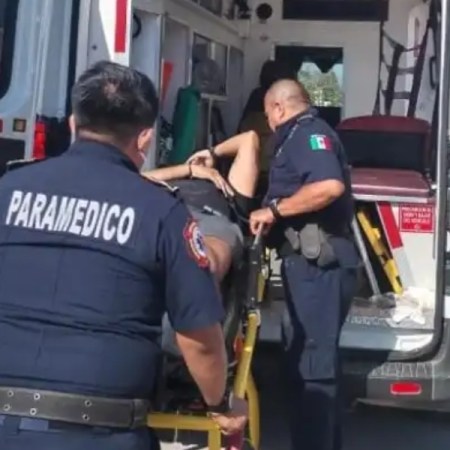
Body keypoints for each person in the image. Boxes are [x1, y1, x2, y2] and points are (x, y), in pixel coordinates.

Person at [0, 61, 247, 450]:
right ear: (145, 139)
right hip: (101, 433)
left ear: (73, 123)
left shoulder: (9, 189)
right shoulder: (162, 213)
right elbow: (199, 336)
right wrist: (218, 403)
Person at [249, 79, 360, 450]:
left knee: (314, 368)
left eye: (268, 115)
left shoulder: (308, 135)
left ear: (278, 108)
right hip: (310, 264)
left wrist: (274, 210)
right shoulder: (297, 136)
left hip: (320, 265)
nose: (269, 123)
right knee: (310, 364)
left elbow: (329, 187)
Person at [143, 130, 260, 282]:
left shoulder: (227, 189)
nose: (199, 162)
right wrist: (189, 169)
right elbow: (132, 179)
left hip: (209, 219)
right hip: (166, 213)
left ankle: (192, 283)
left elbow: (249, 139)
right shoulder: (165, 181)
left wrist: (213, 153)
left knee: (205, 262)